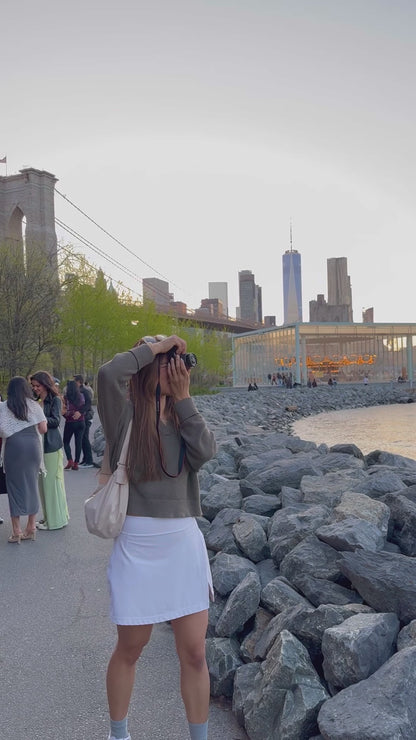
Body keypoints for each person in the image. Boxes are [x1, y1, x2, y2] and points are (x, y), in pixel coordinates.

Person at [97, 334, 216, 740]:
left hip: (182, 543)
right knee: (131, 648)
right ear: (150, 367)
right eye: (171, 362)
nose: (178, 368)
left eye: (180, 361)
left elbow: (205, 453)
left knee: (195, 654)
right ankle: (119, 734)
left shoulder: (182, 416)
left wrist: (184, 400)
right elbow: (109, 372)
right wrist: (158, 344)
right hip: (137, 545)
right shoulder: (125, 415)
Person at [0, 376, 47, 543]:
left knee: (14, 488)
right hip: (33, 447)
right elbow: (43, 428)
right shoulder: (34, 405)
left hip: (14, 448)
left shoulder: (3, 407)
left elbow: (1, 432)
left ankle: (16, 531)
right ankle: (31, 527)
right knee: (32, 484)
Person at [30, 371, 69, 530]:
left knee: (51, 483)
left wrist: (38, 418)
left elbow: (56, 421)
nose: (35, 388)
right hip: (41, 446)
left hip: (51, 446)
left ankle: (55, 521)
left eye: (37, 385)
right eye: (33, 386)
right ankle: (49, 518)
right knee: (43, 484)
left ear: (45, 384)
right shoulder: (38, 400)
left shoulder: (55, 400)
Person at [62, 380, 86, 470]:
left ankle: (70, 460)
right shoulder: (81, 396)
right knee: (78, 442)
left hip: (70, 422)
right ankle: (76, 463)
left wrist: (66, 416)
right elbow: (84, 407)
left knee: (66, 442)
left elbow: (64, 411)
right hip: (81, 422)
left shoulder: (66, 398)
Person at [74, 374, 94, 467]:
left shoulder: (84, 391)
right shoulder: (78, 391)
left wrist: (80, 412)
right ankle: (85, 459)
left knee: (84, 438)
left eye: (75, 381)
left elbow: (88, 405)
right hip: (81, 418)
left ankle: (89, 460)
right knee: (81, 439)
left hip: (86, 417)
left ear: (79, 382)